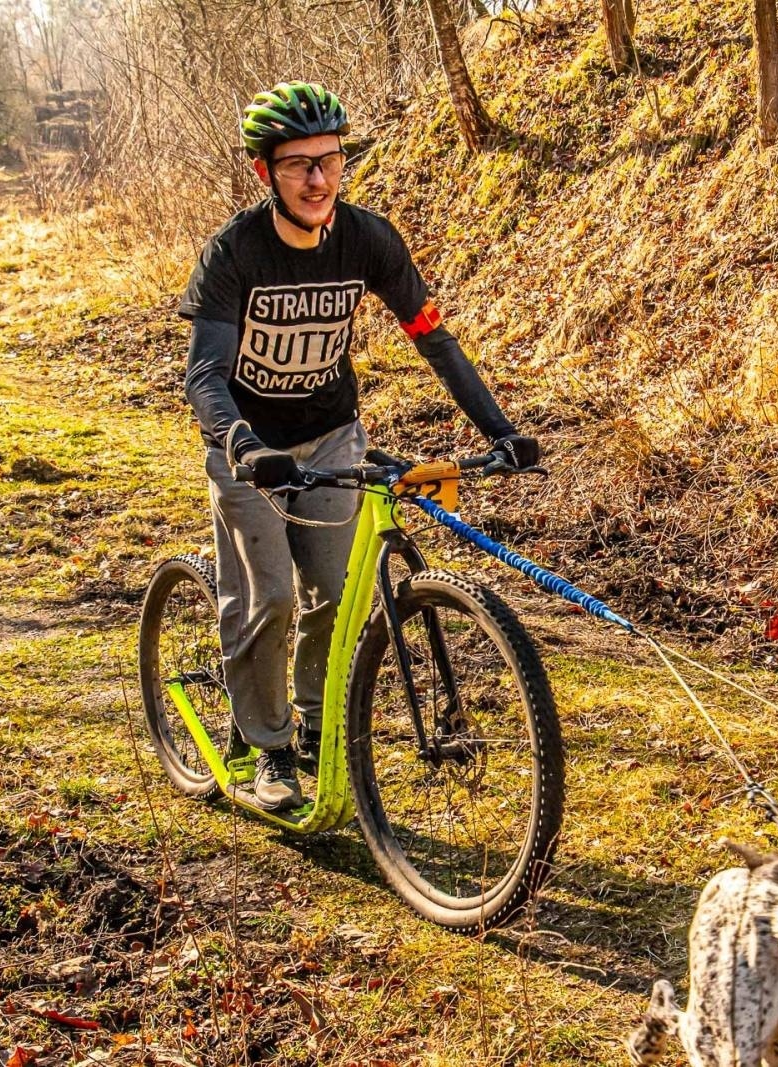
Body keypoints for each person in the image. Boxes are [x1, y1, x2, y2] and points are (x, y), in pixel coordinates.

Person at [179, 82, 538, 811]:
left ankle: (311, 721)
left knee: (338, 596)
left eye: (330, 161)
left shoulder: (369, 239)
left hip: (331, 434)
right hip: (249, 446)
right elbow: (205, 374)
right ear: (265, 174)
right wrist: (243, 444)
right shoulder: (235, 254)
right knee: (270, 595)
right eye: (298, 165)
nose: (317, 179)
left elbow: (433, 338)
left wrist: (499, 429)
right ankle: (267, 746)